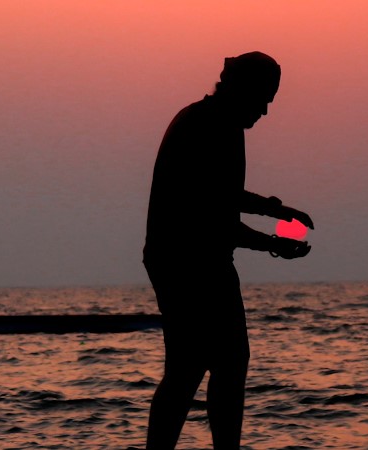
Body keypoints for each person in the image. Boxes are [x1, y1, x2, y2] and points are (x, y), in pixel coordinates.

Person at [143, 51, 313, 449]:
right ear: (242, 89)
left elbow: (223, 197)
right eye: (264, 99)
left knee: (218, 364)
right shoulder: (205, 125)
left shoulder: (220, 123)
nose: (267, 111)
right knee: (199, 366)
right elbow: (212, 216)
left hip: (202, 257)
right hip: (184, 262)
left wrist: (274, 210)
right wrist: (273, 243)